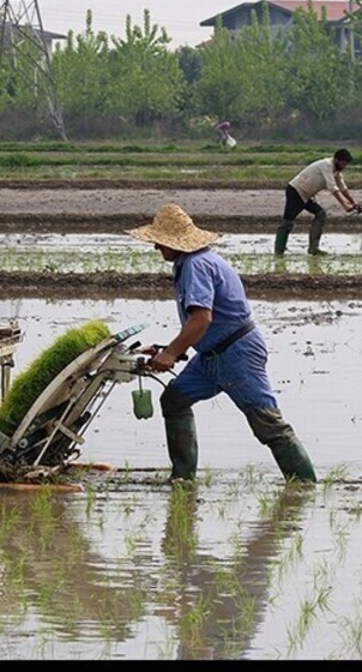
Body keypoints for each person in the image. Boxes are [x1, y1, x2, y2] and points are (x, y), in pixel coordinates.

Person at [127, 203, 317, 484]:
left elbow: (201, 319)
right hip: (211, 355)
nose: (156, 248)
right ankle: (182, 479)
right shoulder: (194, 262)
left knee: (268, 424)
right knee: (175, 400)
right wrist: (169, 350)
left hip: (236, 354)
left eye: (159, 242)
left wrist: (171, 353)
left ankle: (304, 487)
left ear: (173, 242)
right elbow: (202, 324)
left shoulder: (195, 265)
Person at [276, 148, 359, 256]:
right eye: (343, 163)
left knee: (320, 215)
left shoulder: (336, 172)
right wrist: (344, 205)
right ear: (337, 160)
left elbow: (342, 188)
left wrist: (353, 202)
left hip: (307, 195)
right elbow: (332, 187)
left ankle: (313, 248)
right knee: (288, 222)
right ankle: (279, 251)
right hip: (296, 191)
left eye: (346, 164)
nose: (344, 167)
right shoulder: (326, 165)